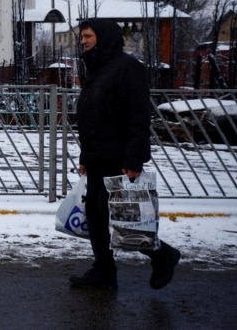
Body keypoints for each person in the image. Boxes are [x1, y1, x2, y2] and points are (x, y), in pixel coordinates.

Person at [69, 18, 181, 291]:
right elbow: (91, 117)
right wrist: (85, 156)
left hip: (118, 159)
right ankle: (104, 272)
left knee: (121, 216)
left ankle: (163, 255)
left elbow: (138, 117)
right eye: (82, 36)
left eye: (87, 35)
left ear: (104, 37)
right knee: (96, 215)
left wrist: (133, 160)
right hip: (97, 157)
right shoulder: (96, 67)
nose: (82, 40)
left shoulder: (129, 68)